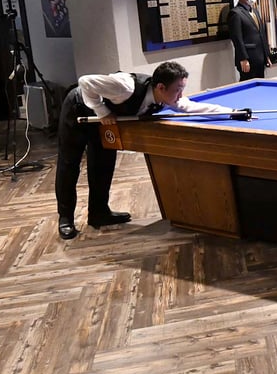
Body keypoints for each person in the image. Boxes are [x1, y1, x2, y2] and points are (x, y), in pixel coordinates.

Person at [55, 61, 235, 240]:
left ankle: (99, 213)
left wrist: (233, 112)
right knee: (69, 164)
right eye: (178, 90)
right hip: (78, 108)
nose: (181, 95)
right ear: (161, 87)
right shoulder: (125, 87)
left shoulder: (166, 97)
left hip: (103, 120)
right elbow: (85, 82)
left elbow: (192, 107)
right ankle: (65, 219)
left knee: (103, 164)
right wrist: (102, 111)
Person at [229, 0, 272, 80]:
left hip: (260, 58)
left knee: (261, 84)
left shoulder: (255, 11)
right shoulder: (236, 13)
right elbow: (237, 39)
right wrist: (243, 58)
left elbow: (261, 34)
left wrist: (266, 55)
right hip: (248, 59)